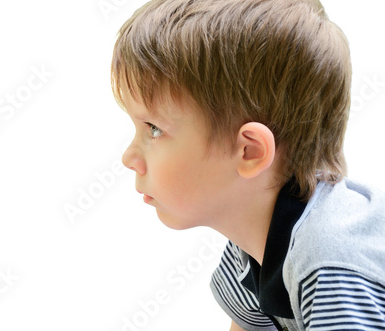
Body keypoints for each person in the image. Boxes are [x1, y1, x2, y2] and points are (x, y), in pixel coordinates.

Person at [110, 0, 385, 330]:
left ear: (249, 151)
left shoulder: (331, 267)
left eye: (153, 128)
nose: (129, 158)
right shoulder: (254, 243)